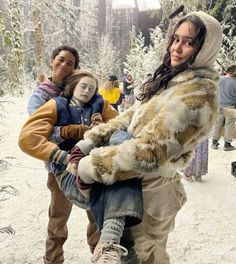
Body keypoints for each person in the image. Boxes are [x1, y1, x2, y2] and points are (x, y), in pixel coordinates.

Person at [63, 11, 222, 263]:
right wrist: (91, 140)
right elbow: (130, 116)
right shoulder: (172, 80)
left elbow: (150, 151)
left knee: (145, 255)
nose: (177, 48)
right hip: (126, 184)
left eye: (189, 42)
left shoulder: (198, 95)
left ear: (205, 48)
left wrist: (91, 167)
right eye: (176, 39)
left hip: (152, 196)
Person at [18, 70, 142, 264]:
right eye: (83, 86)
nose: (87, 91)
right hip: (67, 172)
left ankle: (107, 254)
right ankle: (56, 260)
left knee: (116, 180)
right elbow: (28, 137)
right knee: (60, 218)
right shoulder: (57, 105)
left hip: (95, 165)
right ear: (73, 85)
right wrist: (64, 155)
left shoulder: (100, 105)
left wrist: (100, 131)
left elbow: (120, 126)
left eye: (92, 88)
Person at [26, 46, 100, 264]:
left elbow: (98, 113)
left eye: (71, 63)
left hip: (88, 161)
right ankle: (53, 259)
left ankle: (101, 256)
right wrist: (68, 131)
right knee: (58, 218)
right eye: (61, 60)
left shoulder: (80, 89)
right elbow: (39, 133)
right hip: (59, 166)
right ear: (52, 61)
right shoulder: (41, 95)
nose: (65, 65)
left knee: (97, 212)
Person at [211, 64, 236, 151]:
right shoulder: (235, 82)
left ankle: (214, 142)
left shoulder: (219, 79)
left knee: (218, 124)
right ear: (233, 71)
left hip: (219, 106)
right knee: (229, 125)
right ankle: (227, 144)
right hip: (230, 107)